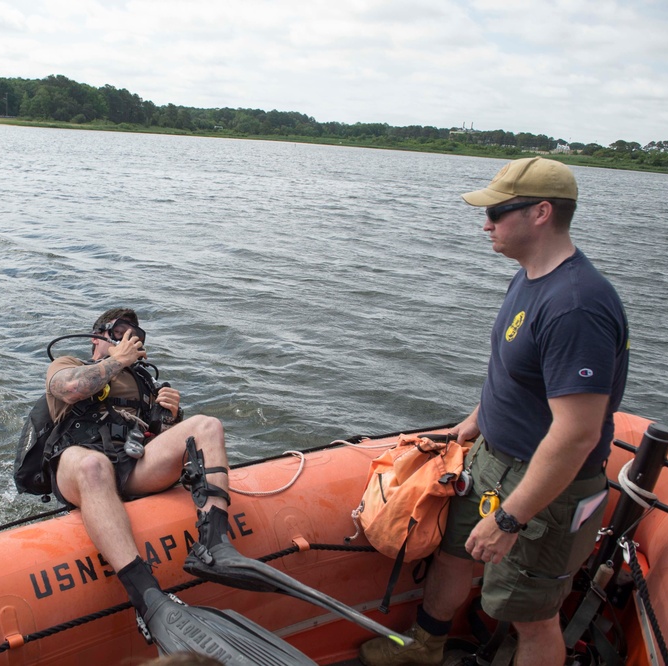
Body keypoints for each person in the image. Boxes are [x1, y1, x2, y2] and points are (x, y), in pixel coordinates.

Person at [358, 157, 630, 666]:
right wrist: (477, 420)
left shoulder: (577, 306)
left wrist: (509, 519)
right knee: (454, 554)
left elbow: (576, 434)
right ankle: (423, 648)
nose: (486, 223)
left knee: (532, 614)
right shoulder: (530, 277)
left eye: (498, 212)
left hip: (546, 487)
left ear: (541, 213)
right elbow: (516, 369)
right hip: (490, 459)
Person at [45, 307, 318, 664]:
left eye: (136, 336)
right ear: (98, 338)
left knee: (207, 426)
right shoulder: (67, 362)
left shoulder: (146, 382)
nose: (130, 341)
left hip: (130, 466)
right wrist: (117, 360)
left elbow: (157, 442)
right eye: (120, 332)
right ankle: (146, 597)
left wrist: (171, 417)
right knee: (94, 466)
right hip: (78, 464)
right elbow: (70, 388)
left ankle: (214, 546)